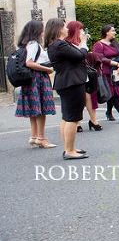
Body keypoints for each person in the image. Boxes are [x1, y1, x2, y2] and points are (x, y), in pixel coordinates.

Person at [48, 20, 90, 159]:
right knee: (73, 117)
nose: (67, 29)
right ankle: (69, 151)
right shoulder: (60, 44)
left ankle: (69, 147)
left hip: (65, 82)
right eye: (65, 26)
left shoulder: (55, 45)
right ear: (58, 29)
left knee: (67, 117)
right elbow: (80, 55)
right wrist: (83, 42)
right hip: (72, 82)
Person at [14, 20, 57, 148]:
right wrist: (48, 69)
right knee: (41, 110)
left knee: (34, 108)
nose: (44, 32)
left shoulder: (26, 44)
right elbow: (30, 62)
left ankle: (34, 137)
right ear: (36, 31)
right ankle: (42, 138)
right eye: (42, 29)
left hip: (30, 79)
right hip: (38, 78)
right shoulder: (34, 44)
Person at [92, 24, 119, 124]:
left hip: (117, 72)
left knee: (114, 93)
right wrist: (116, 63)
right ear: (107, 32)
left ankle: (108, 112)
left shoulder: (116, 43)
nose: (115, 32)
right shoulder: (98, 45)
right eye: (113, 30)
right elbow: (100, 58)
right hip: (105, 73)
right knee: (112, 93)